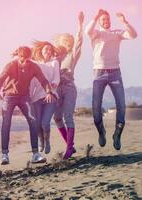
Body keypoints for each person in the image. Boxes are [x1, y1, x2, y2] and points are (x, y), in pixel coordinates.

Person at [85, 9, 137, 150]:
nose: (106, 21)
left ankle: (117, 134)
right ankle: (101, 131)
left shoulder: (117, 33)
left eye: (107, 19)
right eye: (103, 20)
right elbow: (87, 31)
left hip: (115, 72)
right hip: (99, 72)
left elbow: (134, 35)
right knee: (96, 107)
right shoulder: (96, 33)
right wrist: (95, 16)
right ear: (100, 21)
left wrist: (125, 22)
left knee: (121, 105)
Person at [0, 46, 56, 165]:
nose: (24, 62)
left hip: (24, 97)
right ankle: (4, 154)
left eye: (27, 60)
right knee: (6, 122)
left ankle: (35, 154)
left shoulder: (33, 66)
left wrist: (48, 91)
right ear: (18, 56)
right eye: (22, 59)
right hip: (9, 96)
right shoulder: (11, 65)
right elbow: (1, 78)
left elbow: (43, 80)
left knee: (33, 120)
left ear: (29, 58)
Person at [53, 11, 84, 159]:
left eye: (69, 42)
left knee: (67, 117)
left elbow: (79, 41)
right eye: (65, 41)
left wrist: (80, 24)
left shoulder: (73, 55)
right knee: (57, 118)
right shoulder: (55, 57)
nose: (68, 44)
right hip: (56, 89)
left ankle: (69, 147)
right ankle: (70, 146)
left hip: (69, 87)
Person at [30, 41, 60, 154]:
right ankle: (41, 141)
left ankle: (47, 141)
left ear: (52, 52)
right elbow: (32, 81)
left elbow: (57, 77)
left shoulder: (54, 62)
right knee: (37, 124)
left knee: (45, 123)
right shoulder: (36, 64)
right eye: (45, 49)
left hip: (51, 96)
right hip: (36, 97)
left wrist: (54, 84)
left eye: (50, 49)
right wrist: (29, 95)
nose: (48, 50)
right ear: (41, 51)